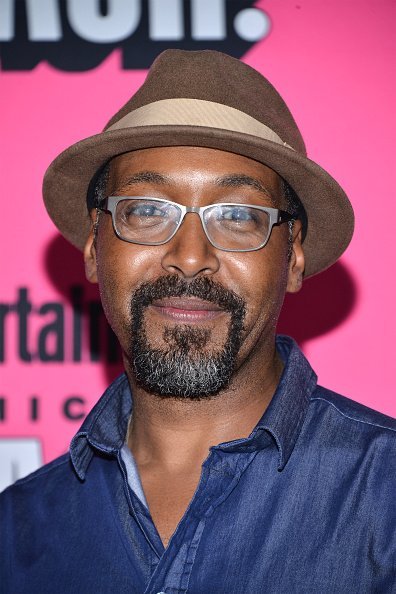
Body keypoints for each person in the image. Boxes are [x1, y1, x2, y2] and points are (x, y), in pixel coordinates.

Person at [1, 49, 395, 594]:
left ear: (294, 256)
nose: (190, 256)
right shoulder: (15, 533)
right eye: (146, 210)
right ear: (95, 246)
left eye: (237, 216)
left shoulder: (385, 494)